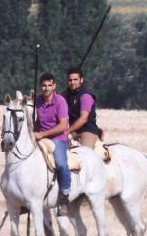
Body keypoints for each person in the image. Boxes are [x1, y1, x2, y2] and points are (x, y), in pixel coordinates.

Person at [33, 72, 71, 215]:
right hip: (40, 137)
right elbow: (36, 121)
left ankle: (65, 196)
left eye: (49, 85)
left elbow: (62, 125)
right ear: (40, 87)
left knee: (61, 163)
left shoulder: (60, 101)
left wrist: (42, 134)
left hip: (57, 138)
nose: (46, 88)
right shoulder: (37, 101)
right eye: (43, 85)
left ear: (54, 86)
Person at [63, 66, 101, 148]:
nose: (72, 82)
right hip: (73, 131)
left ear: (81, 80)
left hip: (87, 130)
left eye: (75, 79)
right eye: (70, 80)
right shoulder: (66, 94)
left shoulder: (86, 96)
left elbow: (83, 119)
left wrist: (67, 131)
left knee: (85, 152)